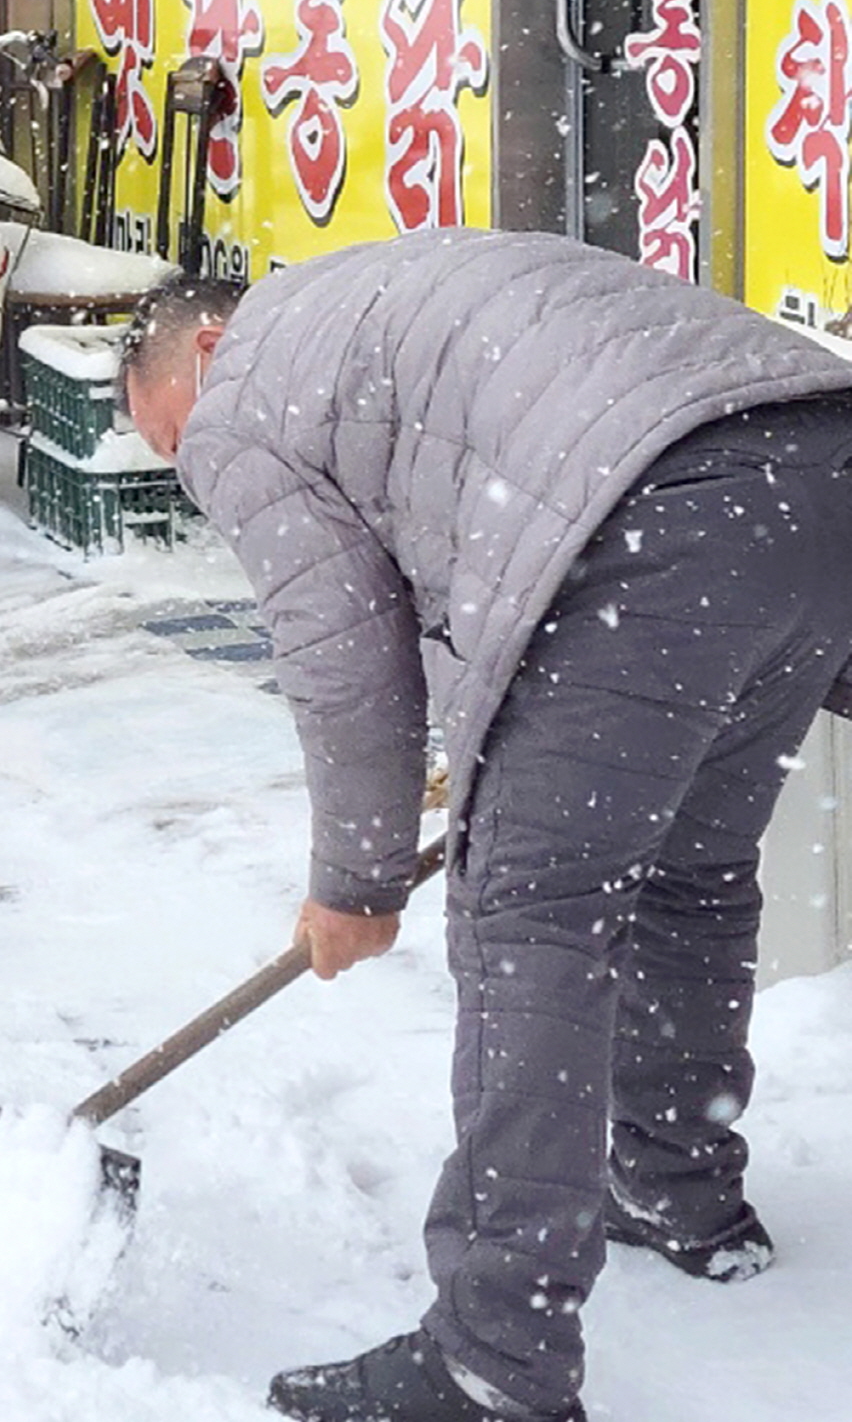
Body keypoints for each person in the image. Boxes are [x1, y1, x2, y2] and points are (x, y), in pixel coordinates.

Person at [118, 229, 852, 1422]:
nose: (193, 471)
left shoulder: (247, 390)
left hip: (655, 518)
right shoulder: (368, 298)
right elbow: (473, 542)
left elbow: (340, 647)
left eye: (172, 440)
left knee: (531, 919)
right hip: (814, 473)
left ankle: (494, 1360)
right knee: (691, 873)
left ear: (206, 347)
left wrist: (354, 881)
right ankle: (677, 1184)